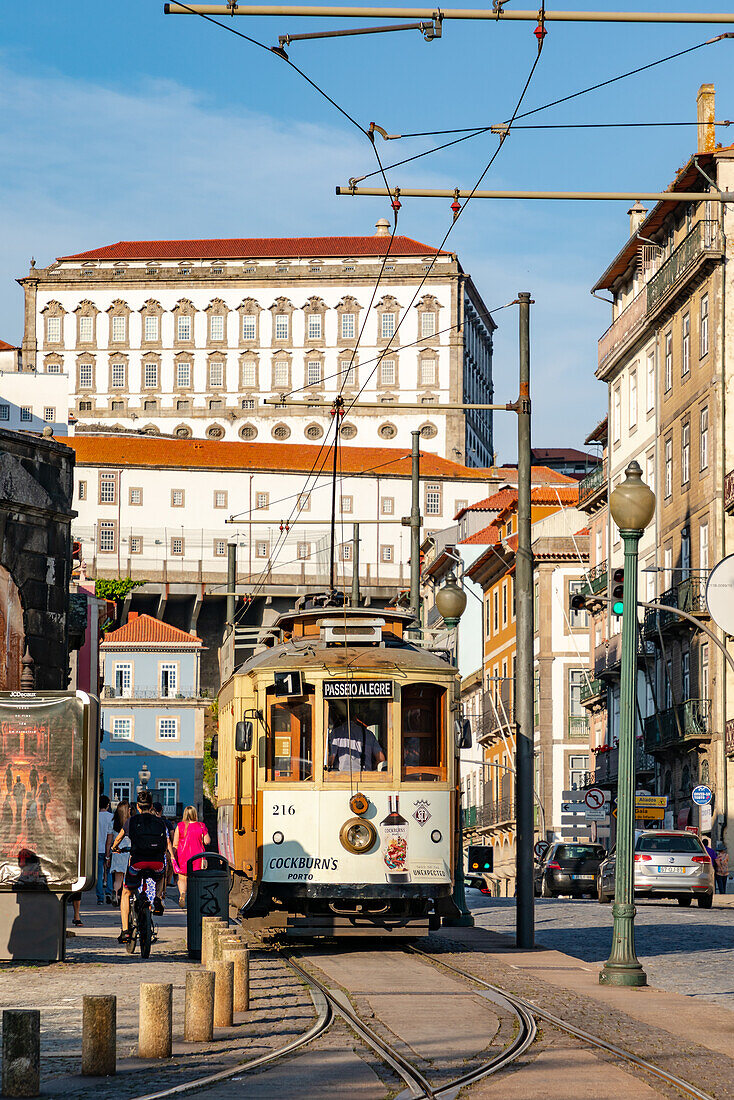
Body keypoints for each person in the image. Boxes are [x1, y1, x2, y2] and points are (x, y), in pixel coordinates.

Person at [111, 790, 174, 945]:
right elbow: (166, 844)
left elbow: (119, 837)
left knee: (126, 893)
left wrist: (114, 847)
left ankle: (126, 931)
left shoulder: (131, 821)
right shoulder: (160, 822)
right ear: (151, 806)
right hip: (156, 863)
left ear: (137, 807)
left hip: (137, 863)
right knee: (160, 876)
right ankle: (158, 899)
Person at [172, 807, 210, 909]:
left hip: (182, 857)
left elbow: (175, 844)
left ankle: (183, 894)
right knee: (196, 879)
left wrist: (173, 857)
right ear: (195, 814)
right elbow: (207, 841)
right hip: (198, 857)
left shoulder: (180, 826)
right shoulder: (201, 826)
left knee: (182, 878)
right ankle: (195, 898)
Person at [110, 800, 131, 904]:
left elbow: (109, 840)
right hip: (128, 852)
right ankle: (123, 897)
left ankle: (115, 892)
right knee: (127, 878)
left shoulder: (113, 823)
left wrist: (108, 855)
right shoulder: (131, 822)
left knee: (118, 878)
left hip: (116, 851)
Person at [96, 795, 115, 905]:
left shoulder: (95, 817)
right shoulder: (111, 817)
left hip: (97, 849)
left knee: (99, 873)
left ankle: (100, 897)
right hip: (109, 848)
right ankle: (108, 892)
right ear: (108, 805)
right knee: (109, 871)